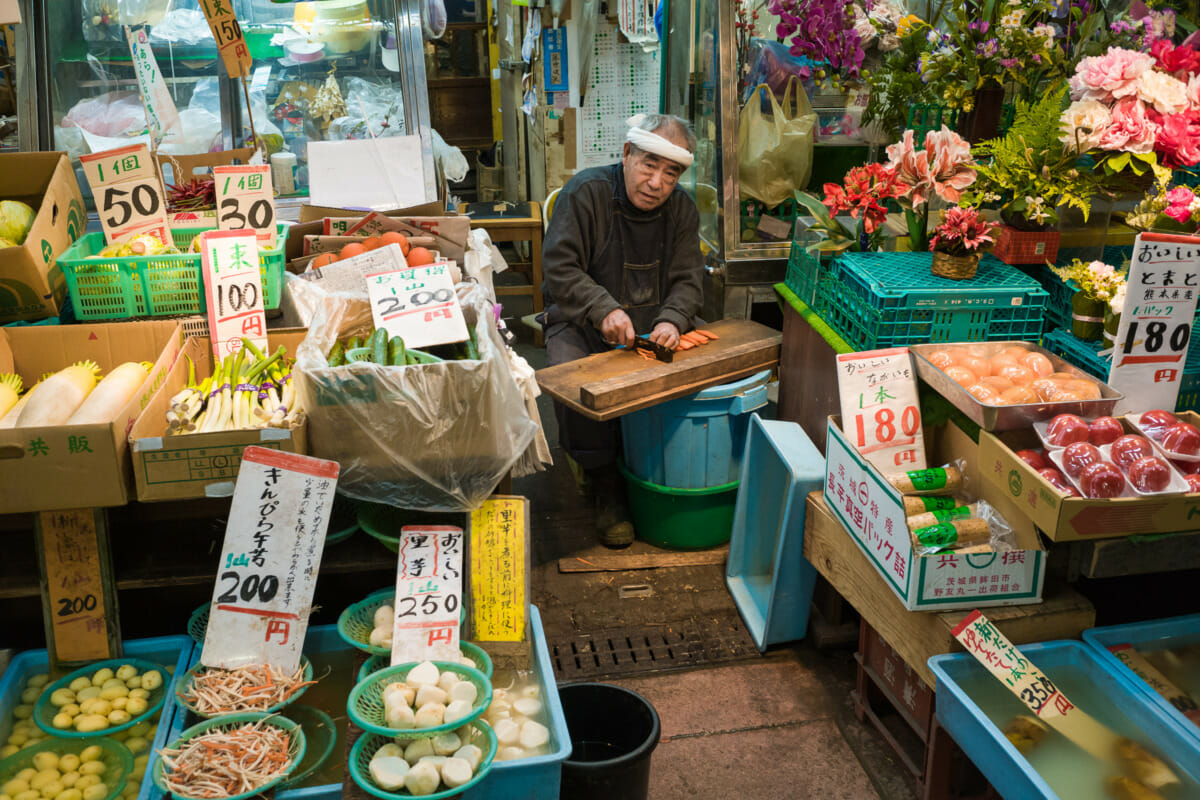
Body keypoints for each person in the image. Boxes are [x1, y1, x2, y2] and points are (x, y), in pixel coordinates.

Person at [541, 113, 704, 548]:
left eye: (671, 174)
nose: (656, 183)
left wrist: (673, 318)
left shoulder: (683, 210)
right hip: (581, 320)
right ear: (627, 154)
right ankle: (603, 484)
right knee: (574, 374)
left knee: (702, 366)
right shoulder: (586, 193)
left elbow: (689, 280)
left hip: (652, 326)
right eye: (649, 165)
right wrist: (602, 309)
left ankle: (657, 470)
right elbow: (560, 268)